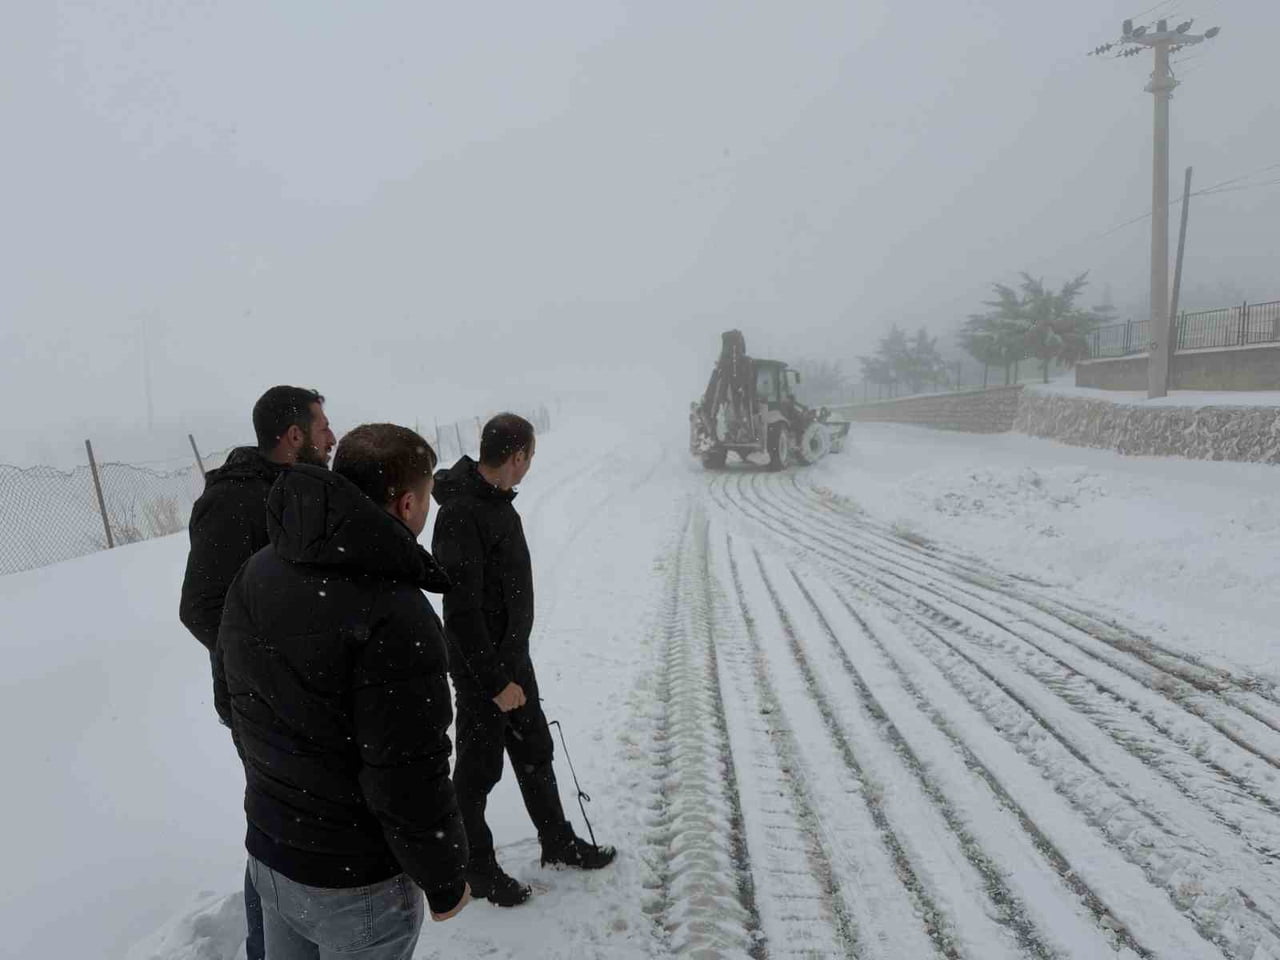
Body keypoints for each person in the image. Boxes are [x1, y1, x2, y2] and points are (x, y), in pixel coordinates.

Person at [215, 423, 470, 959]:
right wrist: (444, 878)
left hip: (270, 853)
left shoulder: (258, 570)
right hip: (354, 887)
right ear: (406, 503)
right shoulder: (397, 612)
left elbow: (231, 700)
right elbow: (407, 774)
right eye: (426, 498)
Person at [432, 413, 616, 908]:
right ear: (518, 457)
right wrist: (494, 682)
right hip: (481, 673)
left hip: (513, 665)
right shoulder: (461, 513)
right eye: (530, 456)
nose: (530, 464)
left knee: (535, 749)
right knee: (477, 770)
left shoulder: (496, 506)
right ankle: (478, 869)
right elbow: (463, 611)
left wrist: (514, 668)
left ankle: (556, 842)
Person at [178, 384, 334, 960]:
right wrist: (266, 669)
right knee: (275, 834)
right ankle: (265, 948)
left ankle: (309, 937)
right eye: (322, 427)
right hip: (262, 705)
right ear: (294, 437)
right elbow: (200, 606)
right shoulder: (233, 501)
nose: (332, 437)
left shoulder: (300, 489)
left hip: (309, 698)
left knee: (305, 826)